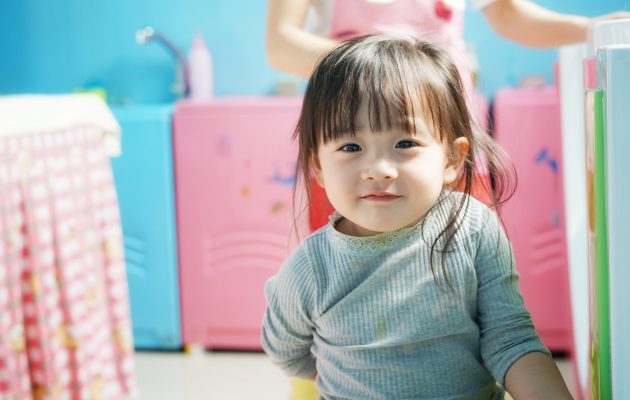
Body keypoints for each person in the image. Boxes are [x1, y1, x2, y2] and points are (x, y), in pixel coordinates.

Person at [261, 34, 573, 399]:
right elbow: (287, 350)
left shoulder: (472, 229)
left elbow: (511, 341)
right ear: (318, 166)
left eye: (405, 144)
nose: (378, 170)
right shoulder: (311, 269)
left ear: (452, 159)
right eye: (350, 147)